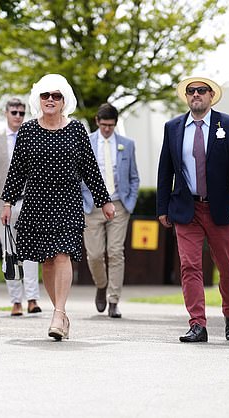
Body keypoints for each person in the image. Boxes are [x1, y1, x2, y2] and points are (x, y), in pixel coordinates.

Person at [1, 74, 115, 340]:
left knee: (62, 255)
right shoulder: (28, 131)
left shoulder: (76, 130)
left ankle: (58, 313)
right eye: (45, 96)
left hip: (67, 202)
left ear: (65, 100)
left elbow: (90, 168)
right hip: (37, 203)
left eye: (56, 96)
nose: (50, 100)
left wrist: (104, 200)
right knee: (48, 261)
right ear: (38, 100)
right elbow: (17, 171)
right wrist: (7, 201)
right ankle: (60, 314)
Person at [156, 76, 229, 343]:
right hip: (187, 210)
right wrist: (162, 207)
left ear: (211, 96)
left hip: (220, 209)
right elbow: (165, 170)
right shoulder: (173, 127)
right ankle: (197, 323)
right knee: (189, 266)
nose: (196, 94)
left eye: (201, 91)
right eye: (191, 91)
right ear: (186, 97)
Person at [0, 98, 42, 315]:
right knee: (9, 251)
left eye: (22, 113)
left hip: (29, 201)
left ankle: (32, 298)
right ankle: (16, 300)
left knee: (30, 250)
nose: (18, 116)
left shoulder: (33, 135)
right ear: (6, 113)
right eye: (14, 112)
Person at [82, 103, 139, 318]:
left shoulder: (127, 144)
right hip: (92, 205)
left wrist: (129, 203)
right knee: (95, 254)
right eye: (104, 125)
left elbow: (134, 177)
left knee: (116, 252)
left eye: (111, 126)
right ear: (97, 121)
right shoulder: (85, 141)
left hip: (118, 205)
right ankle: (101, 285)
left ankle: (114, 300)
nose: (107, 129)